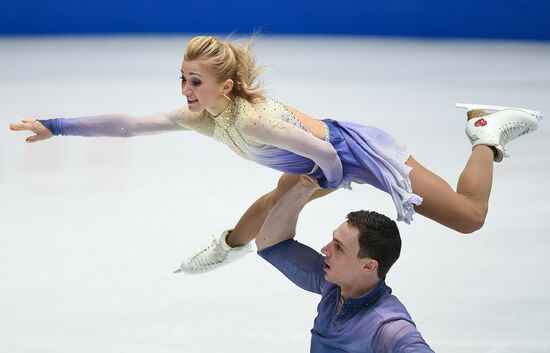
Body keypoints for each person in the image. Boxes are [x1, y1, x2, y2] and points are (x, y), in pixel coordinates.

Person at [9, 36, 543, 274]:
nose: (185, 90)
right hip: (314, 161)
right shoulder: (203, 116)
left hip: (356, 150)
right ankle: (230, 246)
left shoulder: (253, 118)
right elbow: (127, 126)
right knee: (275, 197)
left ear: (227, 85)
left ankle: (485, 132)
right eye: (182, 78)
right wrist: (55, 126)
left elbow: (326, 153)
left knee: (469, 218)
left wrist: (324, 182)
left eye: (195, 81)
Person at [255, 176, 434, 352]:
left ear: (368, 266)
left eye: (339, 247)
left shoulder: (387, 325)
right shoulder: (333, 285)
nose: (325, 249)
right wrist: (303, 190)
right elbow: (271, 243)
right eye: (332, 241)